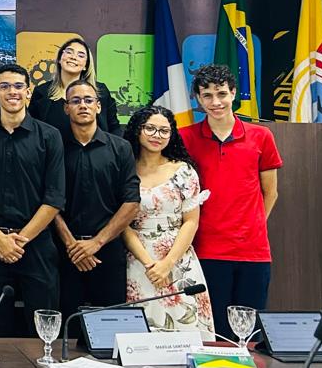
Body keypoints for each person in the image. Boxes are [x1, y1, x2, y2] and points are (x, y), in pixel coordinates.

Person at [179, 64, 281, 340]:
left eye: (222, 94)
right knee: (215, 333)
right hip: (206, 249)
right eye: (207, 95)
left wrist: (253, 225)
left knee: (250, 334)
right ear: (198, 99)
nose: (216, 102)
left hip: (253, 251)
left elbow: (270, 192)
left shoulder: (261, 136)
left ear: (233, 93)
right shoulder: (185, 137)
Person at [0, 64, 65, 337]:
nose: (12, 92)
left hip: (37, 245)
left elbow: (54, 198)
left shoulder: (50, 136)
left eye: (19, 86)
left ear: (28, 92)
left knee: (42, 329)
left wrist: (18, 241)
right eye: (5, 86)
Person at [123, 106, 215, 338]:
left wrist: (168, 263)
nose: (157, 135)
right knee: (140, 333)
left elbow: (191, 222)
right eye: (150, 128)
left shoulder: (184, 170)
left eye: (164, 131)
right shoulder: (124, 169)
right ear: (137, 130)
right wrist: (150, 264)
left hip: (178, 259)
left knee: (186, 330)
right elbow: (122, 223)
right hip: (137, 260)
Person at [52, 81, 140, 321]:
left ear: (98, 107)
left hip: (107, 251)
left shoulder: (120, 148)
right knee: (66, 328)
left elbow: (131, 202)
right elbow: (49, 200)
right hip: (64, 251)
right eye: (76, 100)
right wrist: (73, 245)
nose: (83, 105)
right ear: (66, 108)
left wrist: (96, 243)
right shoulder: (54, 147)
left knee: (110, 326)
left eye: (88, 100)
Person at [29, 38, 122, 136]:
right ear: (59, 59)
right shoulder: (42, 92)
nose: (73, 57)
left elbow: (114, 129)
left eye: (81, 55)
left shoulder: (101, 91)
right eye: (69, 52)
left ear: (86, 65)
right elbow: (33, 131)